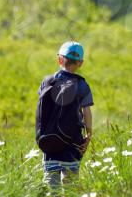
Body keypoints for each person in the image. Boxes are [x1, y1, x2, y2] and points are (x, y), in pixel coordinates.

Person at [38, 41, 93, 189]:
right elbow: (87, 111)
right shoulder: (82, 85)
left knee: (51, 179)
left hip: (49, 139)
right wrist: (89, 134)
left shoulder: (47, 82)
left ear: (59, 60)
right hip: (73, 140)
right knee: (71, 179)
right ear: (80, 63)